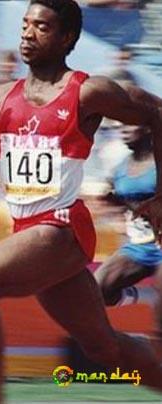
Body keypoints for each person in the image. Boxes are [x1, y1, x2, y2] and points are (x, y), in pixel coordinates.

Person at [0, 1, 162, 403]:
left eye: (42, 27)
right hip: (28, 231)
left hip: (62, 228)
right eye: (25, 24)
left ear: (67, 38)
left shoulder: (88, 91)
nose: (28, 33)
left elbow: (155, 113)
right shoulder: (2, 97)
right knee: (104, 349)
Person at [94, 124, 162, 348]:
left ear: (148, 126)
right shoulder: (120, 165)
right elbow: (112, 197)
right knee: (97, 289)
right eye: (118, 124)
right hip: (141, 245)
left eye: (128, 123)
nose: (121, 129)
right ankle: (146, 298)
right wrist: (111, 207)